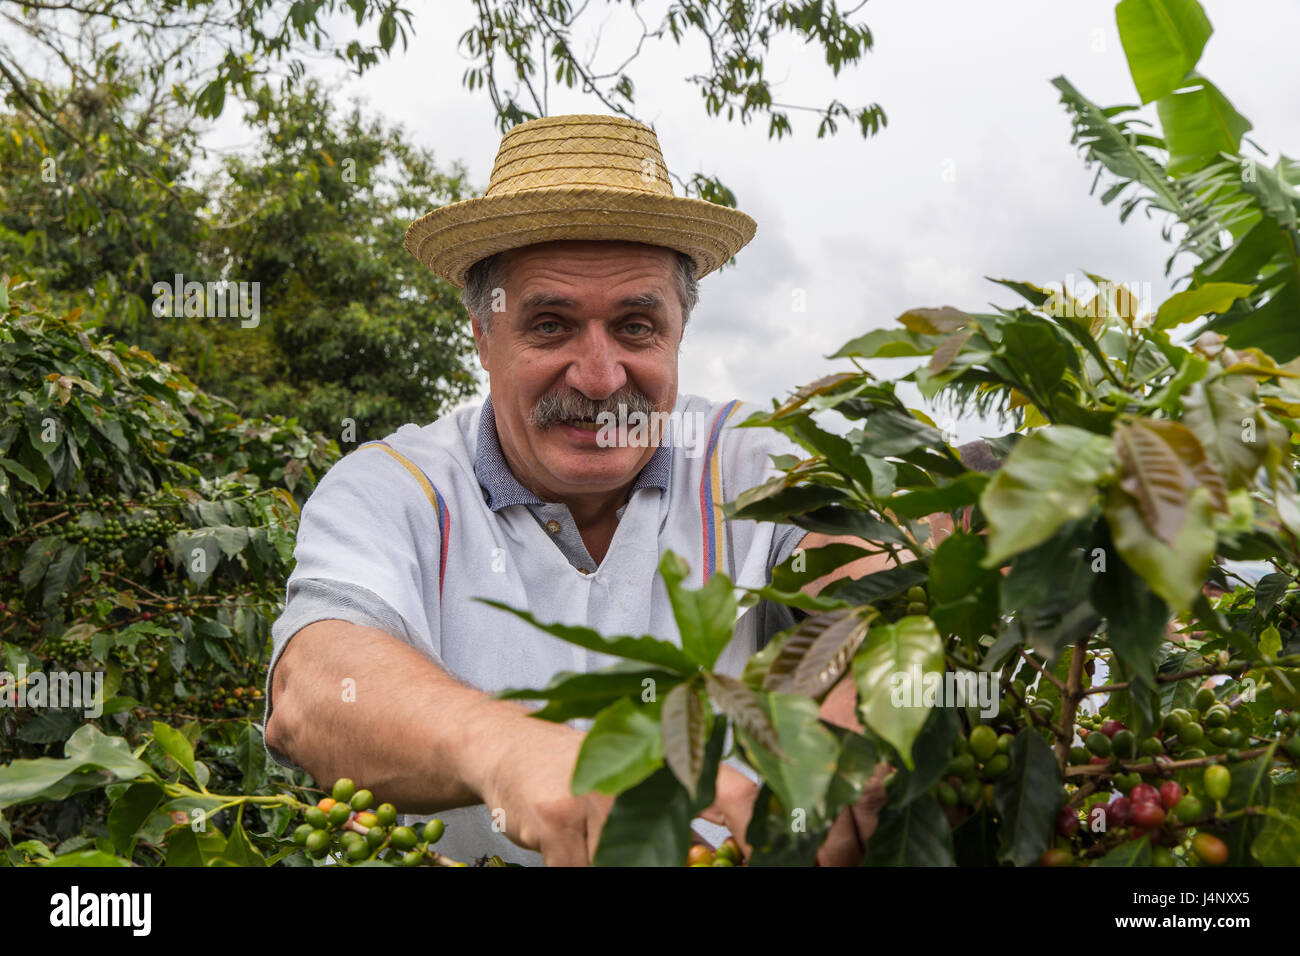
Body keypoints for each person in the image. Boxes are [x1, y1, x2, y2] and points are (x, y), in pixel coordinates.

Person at [263, 113, 906, 866]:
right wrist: (507, 750)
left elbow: (865, 559)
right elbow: (314, 689)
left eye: (636, 326)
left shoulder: (754, 466)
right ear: (481, 334)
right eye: (550, 326)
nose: (600, 378)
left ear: (679, 333)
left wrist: (874, 672)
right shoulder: (396, 489)